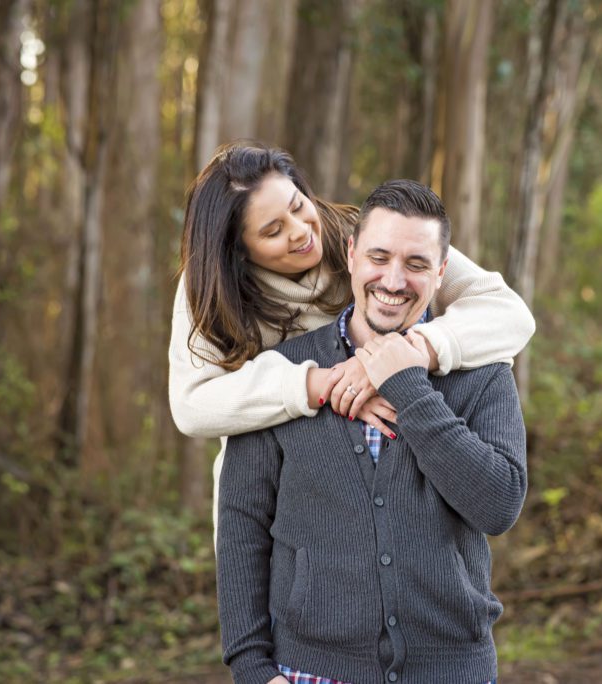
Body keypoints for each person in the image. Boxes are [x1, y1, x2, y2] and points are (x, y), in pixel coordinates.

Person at [216, 179, 527, 684]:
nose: (394, 280)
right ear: (352, 254)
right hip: (309, 672)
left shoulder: (482, 371)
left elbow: (498, 506)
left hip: (453, 672)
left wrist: (407, 383)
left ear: (442, 273)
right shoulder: (284, 372)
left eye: (417, 264)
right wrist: (251, 667)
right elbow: (241, 527)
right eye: (379, 257)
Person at [168, 142, 534, 531]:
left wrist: (406, 353)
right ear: (238, 250)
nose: (301, 232)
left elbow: (508, 312)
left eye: (297, 205)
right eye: (273, 231)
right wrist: (324, 383)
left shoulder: (370, 239)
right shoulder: (209, 288)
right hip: (275, 498)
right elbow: (192, 404)